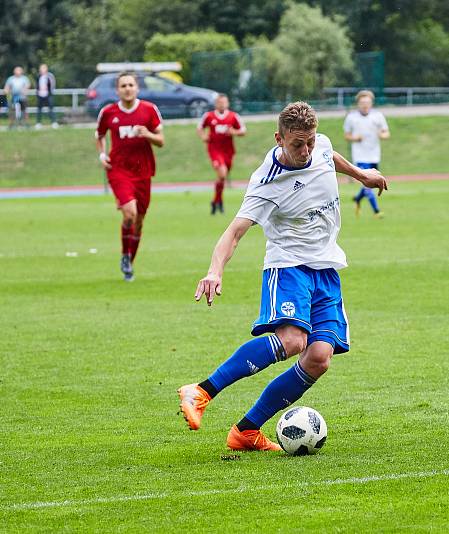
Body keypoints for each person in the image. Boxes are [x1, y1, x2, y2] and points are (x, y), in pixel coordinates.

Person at [178, 102, 388, 451]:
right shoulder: (267, 183)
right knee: (292, 341)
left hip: (326, 268)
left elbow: (329, 154)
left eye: (309, 141)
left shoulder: (318, 145)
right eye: (296, 144)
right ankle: (201, 391)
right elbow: (233, 233)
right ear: (279, 138)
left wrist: (361, 174)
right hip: (288, 266)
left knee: (319, 357)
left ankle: (246, 431)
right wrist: (214, 271)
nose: (305, 151)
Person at [95, 72, 164, 282]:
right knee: (130, 214)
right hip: (119, 169)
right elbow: (99, 135)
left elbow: (161, 140)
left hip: (143, 170)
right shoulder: (108, 112)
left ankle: (129, 262)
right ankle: (125, 256)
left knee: (140, 220)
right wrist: (102, 154)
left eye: (131, 85)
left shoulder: (149, 110)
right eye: (123, 85)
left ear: (137, 88)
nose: (127, 88)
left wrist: (147, 134)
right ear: (117, 90)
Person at [197, 94, 246, 214]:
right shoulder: (209, 116)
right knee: (222, 174)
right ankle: (218, 202)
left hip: (228, 151)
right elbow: (199, 128)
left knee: (222, 177)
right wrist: (203, 136)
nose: (222, 104)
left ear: (227, 103)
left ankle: (216, 201)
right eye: (219, 102)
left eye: (224, 102)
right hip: (214, 150)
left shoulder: (233, 116)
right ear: (216, 104)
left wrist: (234, 131)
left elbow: (243, 130)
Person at [343, 90, 389, 218]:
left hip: (374, 154)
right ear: (358, 103)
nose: (365, 105)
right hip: (360, 156)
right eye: (362, 102)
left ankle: (357, 199)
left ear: (371, 103)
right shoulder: (351, 117)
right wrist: (355, 138)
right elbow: (347, 135)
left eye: (367, 102)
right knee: (367, 181)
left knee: (372, 182)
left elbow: (386, 133)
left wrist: (381, 135)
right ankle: (376, 211)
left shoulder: (378, 116)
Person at [35, 64, 58, 129]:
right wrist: (37, 92)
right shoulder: (38, 76)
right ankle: (38, 123)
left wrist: (50, 92)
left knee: (51, 109)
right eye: (41, 68)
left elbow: (53, 84)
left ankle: (54, 122)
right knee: (39, 110)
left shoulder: (50, 76)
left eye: (43, 68)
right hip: (40, 95)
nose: (42, 70)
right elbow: (37, 85)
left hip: (48, 95)